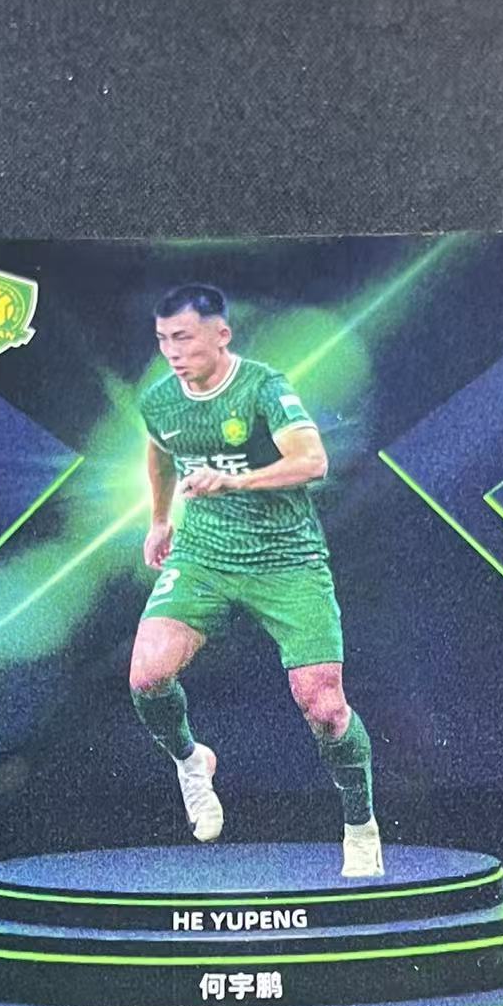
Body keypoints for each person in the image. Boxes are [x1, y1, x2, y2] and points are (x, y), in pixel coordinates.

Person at [129, 283, 381, 877]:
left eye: (184, 337)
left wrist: (233, 480)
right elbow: (160, 451)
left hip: (287, 559)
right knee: (147, 677)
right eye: (163, 340)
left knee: (325, 709)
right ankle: (192, 761)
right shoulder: (161, 400)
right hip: (204, 556)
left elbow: (312, 461)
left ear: (221, 334)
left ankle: (360, 824)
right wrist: (160, 520)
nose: (173, 352)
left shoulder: (263, 387)